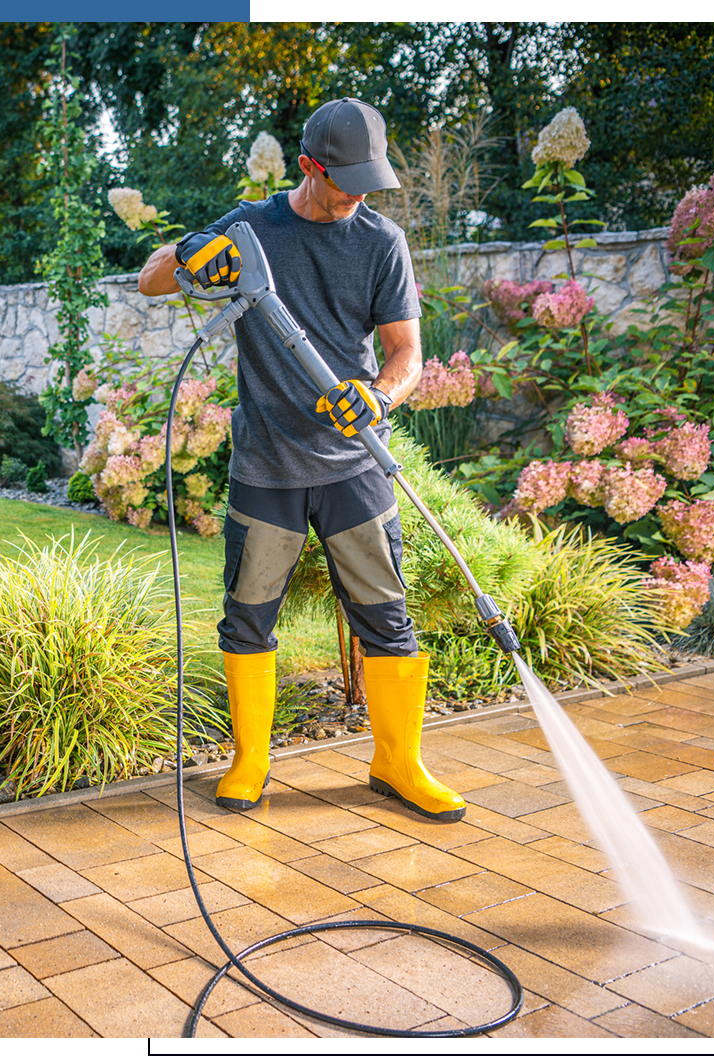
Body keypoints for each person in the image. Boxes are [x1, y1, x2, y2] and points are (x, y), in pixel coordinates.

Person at [138, 98, 465, 822]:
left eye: (368, 185)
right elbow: (151, 279)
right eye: (345, 182)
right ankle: (251, 759)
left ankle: (398, 762)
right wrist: (191, 253)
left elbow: (407, 354)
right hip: (267, 467)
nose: (357, 198)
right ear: (309, 164)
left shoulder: (381, 241)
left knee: (387, 617)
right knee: (247, 619)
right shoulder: (252, 228)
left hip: (354, 462)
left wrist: (379, 396)